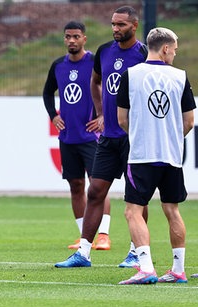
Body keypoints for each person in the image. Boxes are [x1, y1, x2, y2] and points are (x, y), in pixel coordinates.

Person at [55, 6, 148, 268]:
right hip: (108, 138)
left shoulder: (142, 53)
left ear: (134, 25)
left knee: (136, 195)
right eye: (113, 24)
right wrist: (101, 112)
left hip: (133, 137)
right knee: (94, 191)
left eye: (121, 25)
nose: (116, 29)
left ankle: (136, 253)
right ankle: (83, 253)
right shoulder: (105, 51)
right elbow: (96, 81)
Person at [116, 27, 195, 284]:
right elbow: (189, 121)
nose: (174, 53)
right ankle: (178, 270)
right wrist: (170, 137)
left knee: (133, 211)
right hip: (172, 155)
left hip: (141, 155)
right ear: (164, 48)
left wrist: (141, 134)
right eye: (174, 49)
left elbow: (121, 119)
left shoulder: (130, 75)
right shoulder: (181, 77)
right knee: (172, 209)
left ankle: (147, 267)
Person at [42, 21, 112, 251]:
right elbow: (47, 92)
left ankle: (103, 235)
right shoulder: (58, 66)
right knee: (75, 185)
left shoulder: (95, 62)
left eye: (76, 36)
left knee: (98, 186)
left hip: (92, 137)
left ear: (84, 39)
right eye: (68, 37)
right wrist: (53, 115)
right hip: (68, 137)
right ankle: (84, 237)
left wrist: (102, 116)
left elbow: (110, 90)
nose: (71, 40)